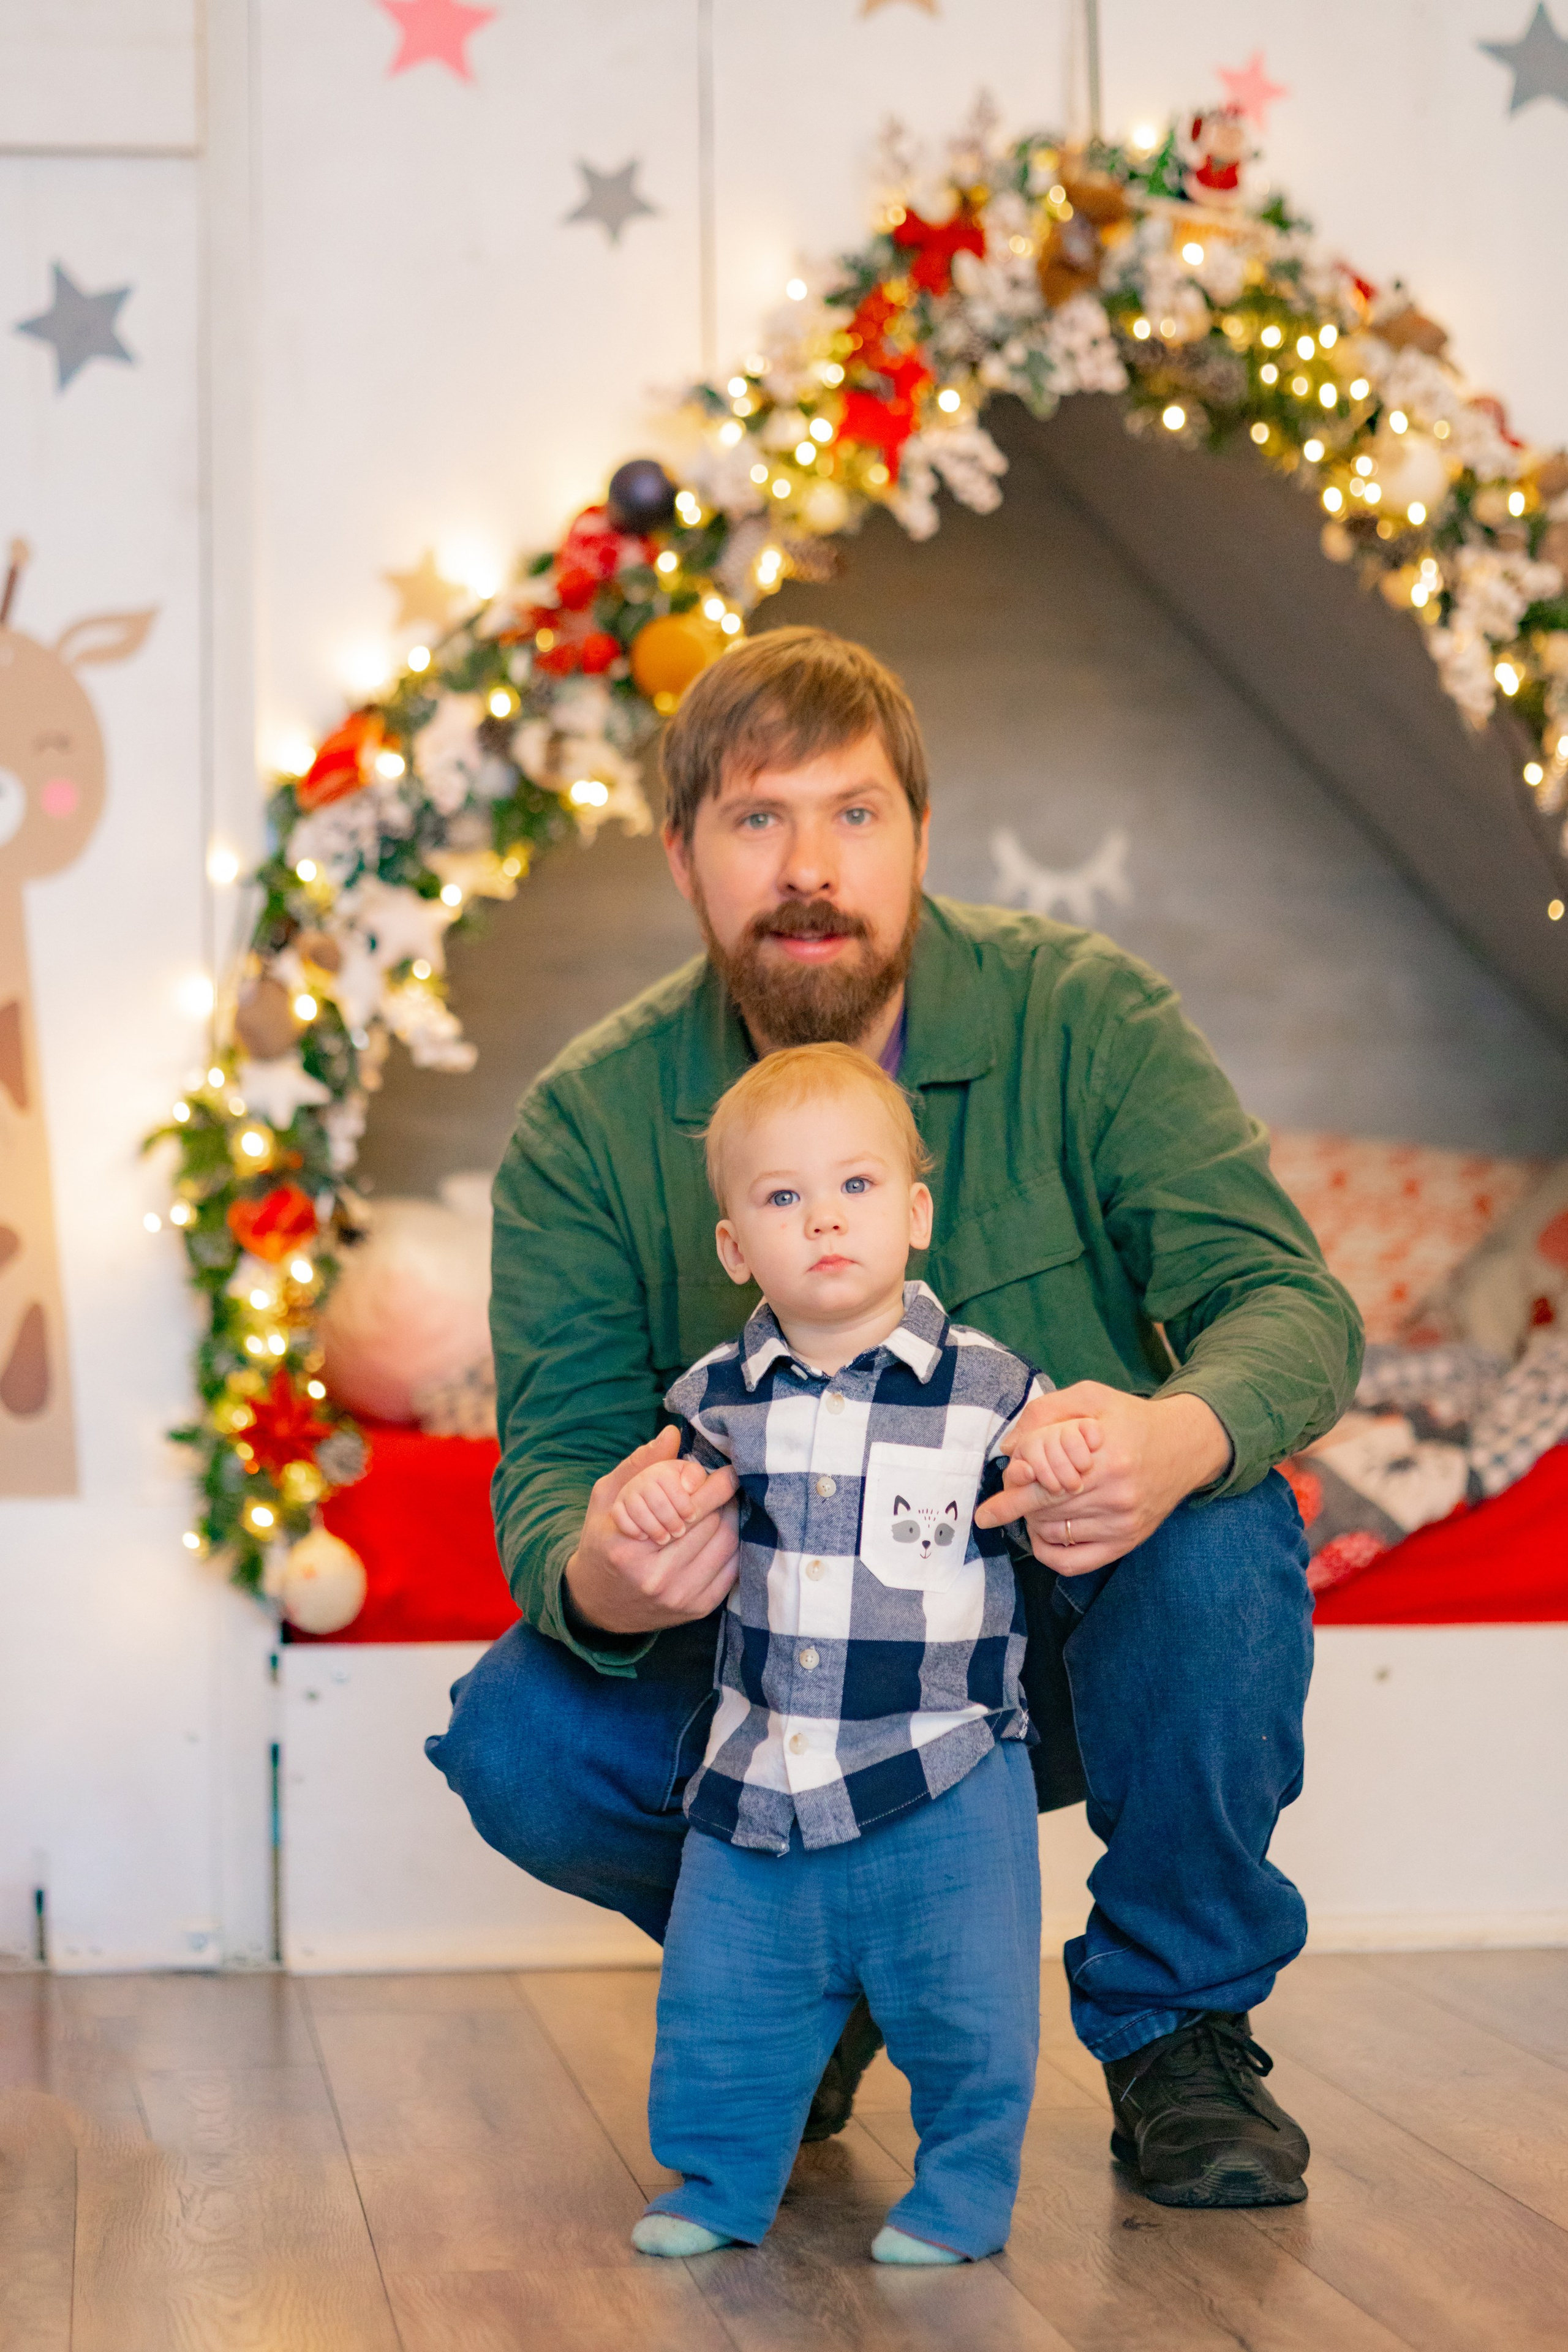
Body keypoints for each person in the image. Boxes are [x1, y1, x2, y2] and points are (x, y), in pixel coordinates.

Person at [426, 625, 1362, 2211]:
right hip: (778, 1680)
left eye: (854, 815)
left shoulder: (1089, 1021)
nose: (809, 866)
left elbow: (1291, 1310)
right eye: (755, 820)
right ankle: (815, 1967)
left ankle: (1178, 2028)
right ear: (683, 859)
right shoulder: (591, 1122)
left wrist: (1169, 1439)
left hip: (1057, 1652)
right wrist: (605, 1569)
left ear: (922, 836)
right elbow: (553, 1477)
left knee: (1222, 1527)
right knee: (522, 1737)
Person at [624, 1042, 1101, 2264]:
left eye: (855, 1188)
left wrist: (1060, 1465)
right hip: (761, 1774)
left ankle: (960, 2188)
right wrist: (651, 1510)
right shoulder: (716, 1398)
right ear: (736, 1246)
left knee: (966, 2007)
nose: (823, 1221)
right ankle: (719, 2180)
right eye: (781, 1199)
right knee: (721, 2005)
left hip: (939, 1765)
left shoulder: (991, 1389)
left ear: (914, 1214)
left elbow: (1057, 1498)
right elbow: (669, 1500)